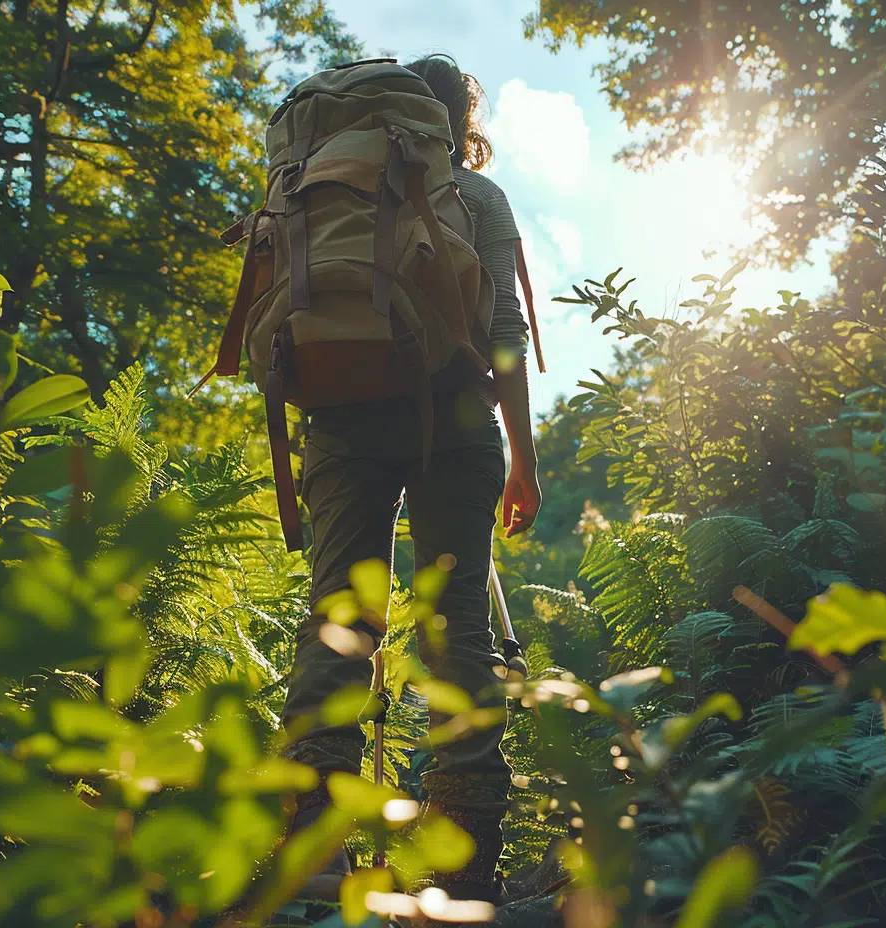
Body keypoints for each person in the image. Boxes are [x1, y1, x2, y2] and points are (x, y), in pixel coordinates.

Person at [279, 54, 542, 906]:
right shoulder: (479, 197)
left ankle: (314, 855)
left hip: (343, 418)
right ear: (459, 125)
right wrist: (524, 461)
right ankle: (462, 863)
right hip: (459, 424)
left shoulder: (331, 178)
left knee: (338, 617)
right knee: (456, 629)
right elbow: (503, 329)